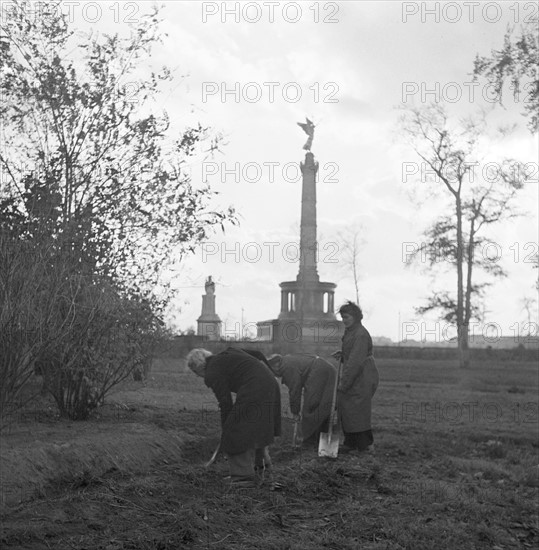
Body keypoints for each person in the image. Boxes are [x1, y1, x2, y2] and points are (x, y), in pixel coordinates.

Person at [186, 347, 281, 487]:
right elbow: (258, 353)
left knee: (236, 430)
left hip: (255, 388)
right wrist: (269, 373)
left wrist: (227, 429)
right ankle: (263, 471)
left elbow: (225, 403)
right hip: (270, 384)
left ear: (197, 368)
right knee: (258, 427)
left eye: (196, 373)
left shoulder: (212, 372)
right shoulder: (228, 353)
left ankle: (242, 477)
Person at [333, 301, 379, 454]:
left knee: (358, 409)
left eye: (347, 317)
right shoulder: (351, 331)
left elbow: (355, 362)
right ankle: (351, 443)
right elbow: (352, 355)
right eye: (343, 318)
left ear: (356, 317)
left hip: (362, 375)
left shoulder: (360, 334)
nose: (345, 320)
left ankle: (365, 446)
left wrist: (344, 384)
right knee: (348, 408)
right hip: (356, 372)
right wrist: (343, 355)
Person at [267, 353, 337, 446]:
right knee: (321, 405)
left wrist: (295, 411)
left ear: (275, 366)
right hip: (325, 369)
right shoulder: (286, 361)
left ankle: (310, 441)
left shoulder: (287, 367)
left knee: (311, 406)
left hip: (319, 371)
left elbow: (295, 389)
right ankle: (317, 439)